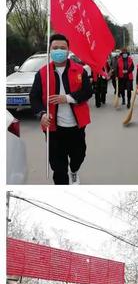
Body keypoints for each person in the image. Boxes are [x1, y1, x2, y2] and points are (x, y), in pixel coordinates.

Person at [30, 33, 93, 185]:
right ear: (50, 50)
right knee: (58, 167)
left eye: (62, 48)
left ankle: (74, 171)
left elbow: (88, 91)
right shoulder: (42, 73)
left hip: (76, 127)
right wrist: (42, 114)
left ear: (68, 50)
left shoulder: (79, 70)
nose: (59, 51)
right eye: (55, 48)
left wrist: (67, 98)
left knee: (79, 156)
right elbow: (34, 97)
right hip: (53, 129)